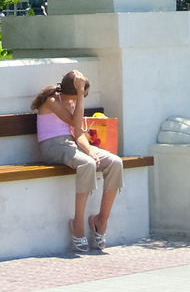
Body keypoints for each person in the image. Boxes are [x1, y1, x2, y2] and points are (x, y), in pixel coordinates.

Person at [31, 70, 123, 253]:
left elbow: (78, 134)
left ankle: (101, 220)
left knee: (115, 162)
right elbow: (75, 123)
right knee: (86, 164)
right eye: (83, 94)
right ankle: (78, 224)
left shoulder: (72, 102)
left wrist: (90, 151)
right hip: (52, 147)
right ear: (75, 92)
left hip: (71, 144)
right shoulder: (52, 102)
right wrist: (81, 96)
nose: (83, 98)